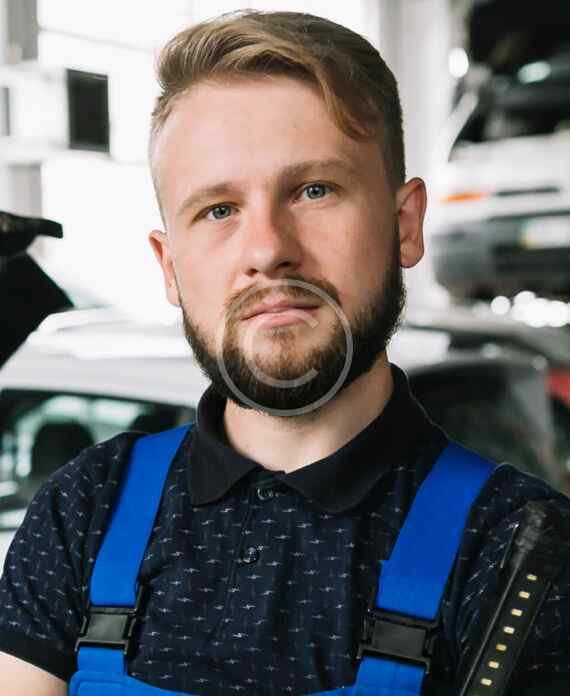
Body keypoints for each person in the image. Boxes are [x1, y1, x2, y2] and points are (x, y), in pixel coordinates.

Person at [0, 9, 569, 696]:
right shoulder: (83, 509)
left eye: (314, 190)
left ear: (404, 226)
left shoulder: (518, 549)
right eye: (218, 209)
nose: (268, 249)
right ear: (170, 266)